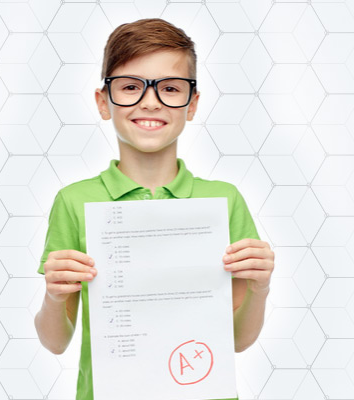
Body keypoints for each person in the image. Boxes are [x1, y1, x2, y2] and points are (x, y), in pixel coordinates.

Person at [34, 17, 275, 400]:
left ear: (192, 104)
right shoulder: (74, 202)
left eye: (170, 88)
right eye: (130, 86)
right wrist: (54, 295)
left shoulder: (224, 201)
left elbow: (238, 342)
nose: (150, 101)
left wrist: (260, 288)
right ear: (103, 101)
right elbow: (55, 343)